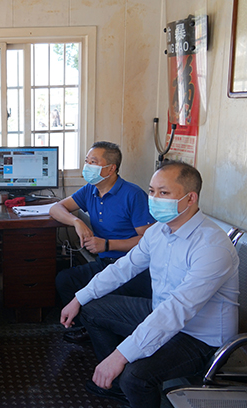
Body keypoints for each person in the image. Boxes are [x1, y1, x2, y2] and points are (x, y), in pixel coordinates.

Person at [60, 161, 240, 408]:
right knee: (90, 309)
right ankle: (116, 386)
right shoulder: (158, 232)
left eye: (164, 193)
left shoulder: (211, 246)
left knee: (135, 376)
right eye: (152, 191)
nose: (154, 199)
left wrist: (120, 356)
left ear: (190, 198)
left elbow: (178, 309)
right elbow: (123, 268)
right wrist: (78, 298)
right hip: (161, 312)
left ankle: (126, 383)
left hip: (200, 337)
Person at [50, 141, 154, 344]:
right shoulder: (90, 190)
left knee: (96, 295)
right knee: (65, 280)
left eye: (93, 162)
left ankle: (102, 329)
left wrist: (108, 245)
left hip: (133, 267)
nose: (87, 166)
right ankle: (87, 327)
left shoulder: (133, 195)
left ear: (111, 168)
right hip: (105, 264)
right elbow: (56, 208)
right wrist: (77, 221)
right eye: (87, 161)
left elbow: (148, 240)